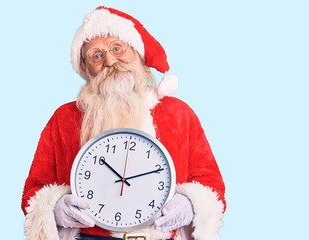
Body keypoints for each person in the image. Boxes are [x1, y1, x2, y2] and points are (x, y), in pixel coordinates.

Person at [22, 6, 226, 240]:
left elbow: (211, 183)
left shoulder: (178, 113)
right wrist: (54, 208)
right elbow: (34, 189)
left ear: (137, 53)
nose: (110, 60)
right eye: (96, 56)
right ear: (87, 69)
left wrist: (192, 204)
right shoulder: (64, 118)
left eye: (117, 48)